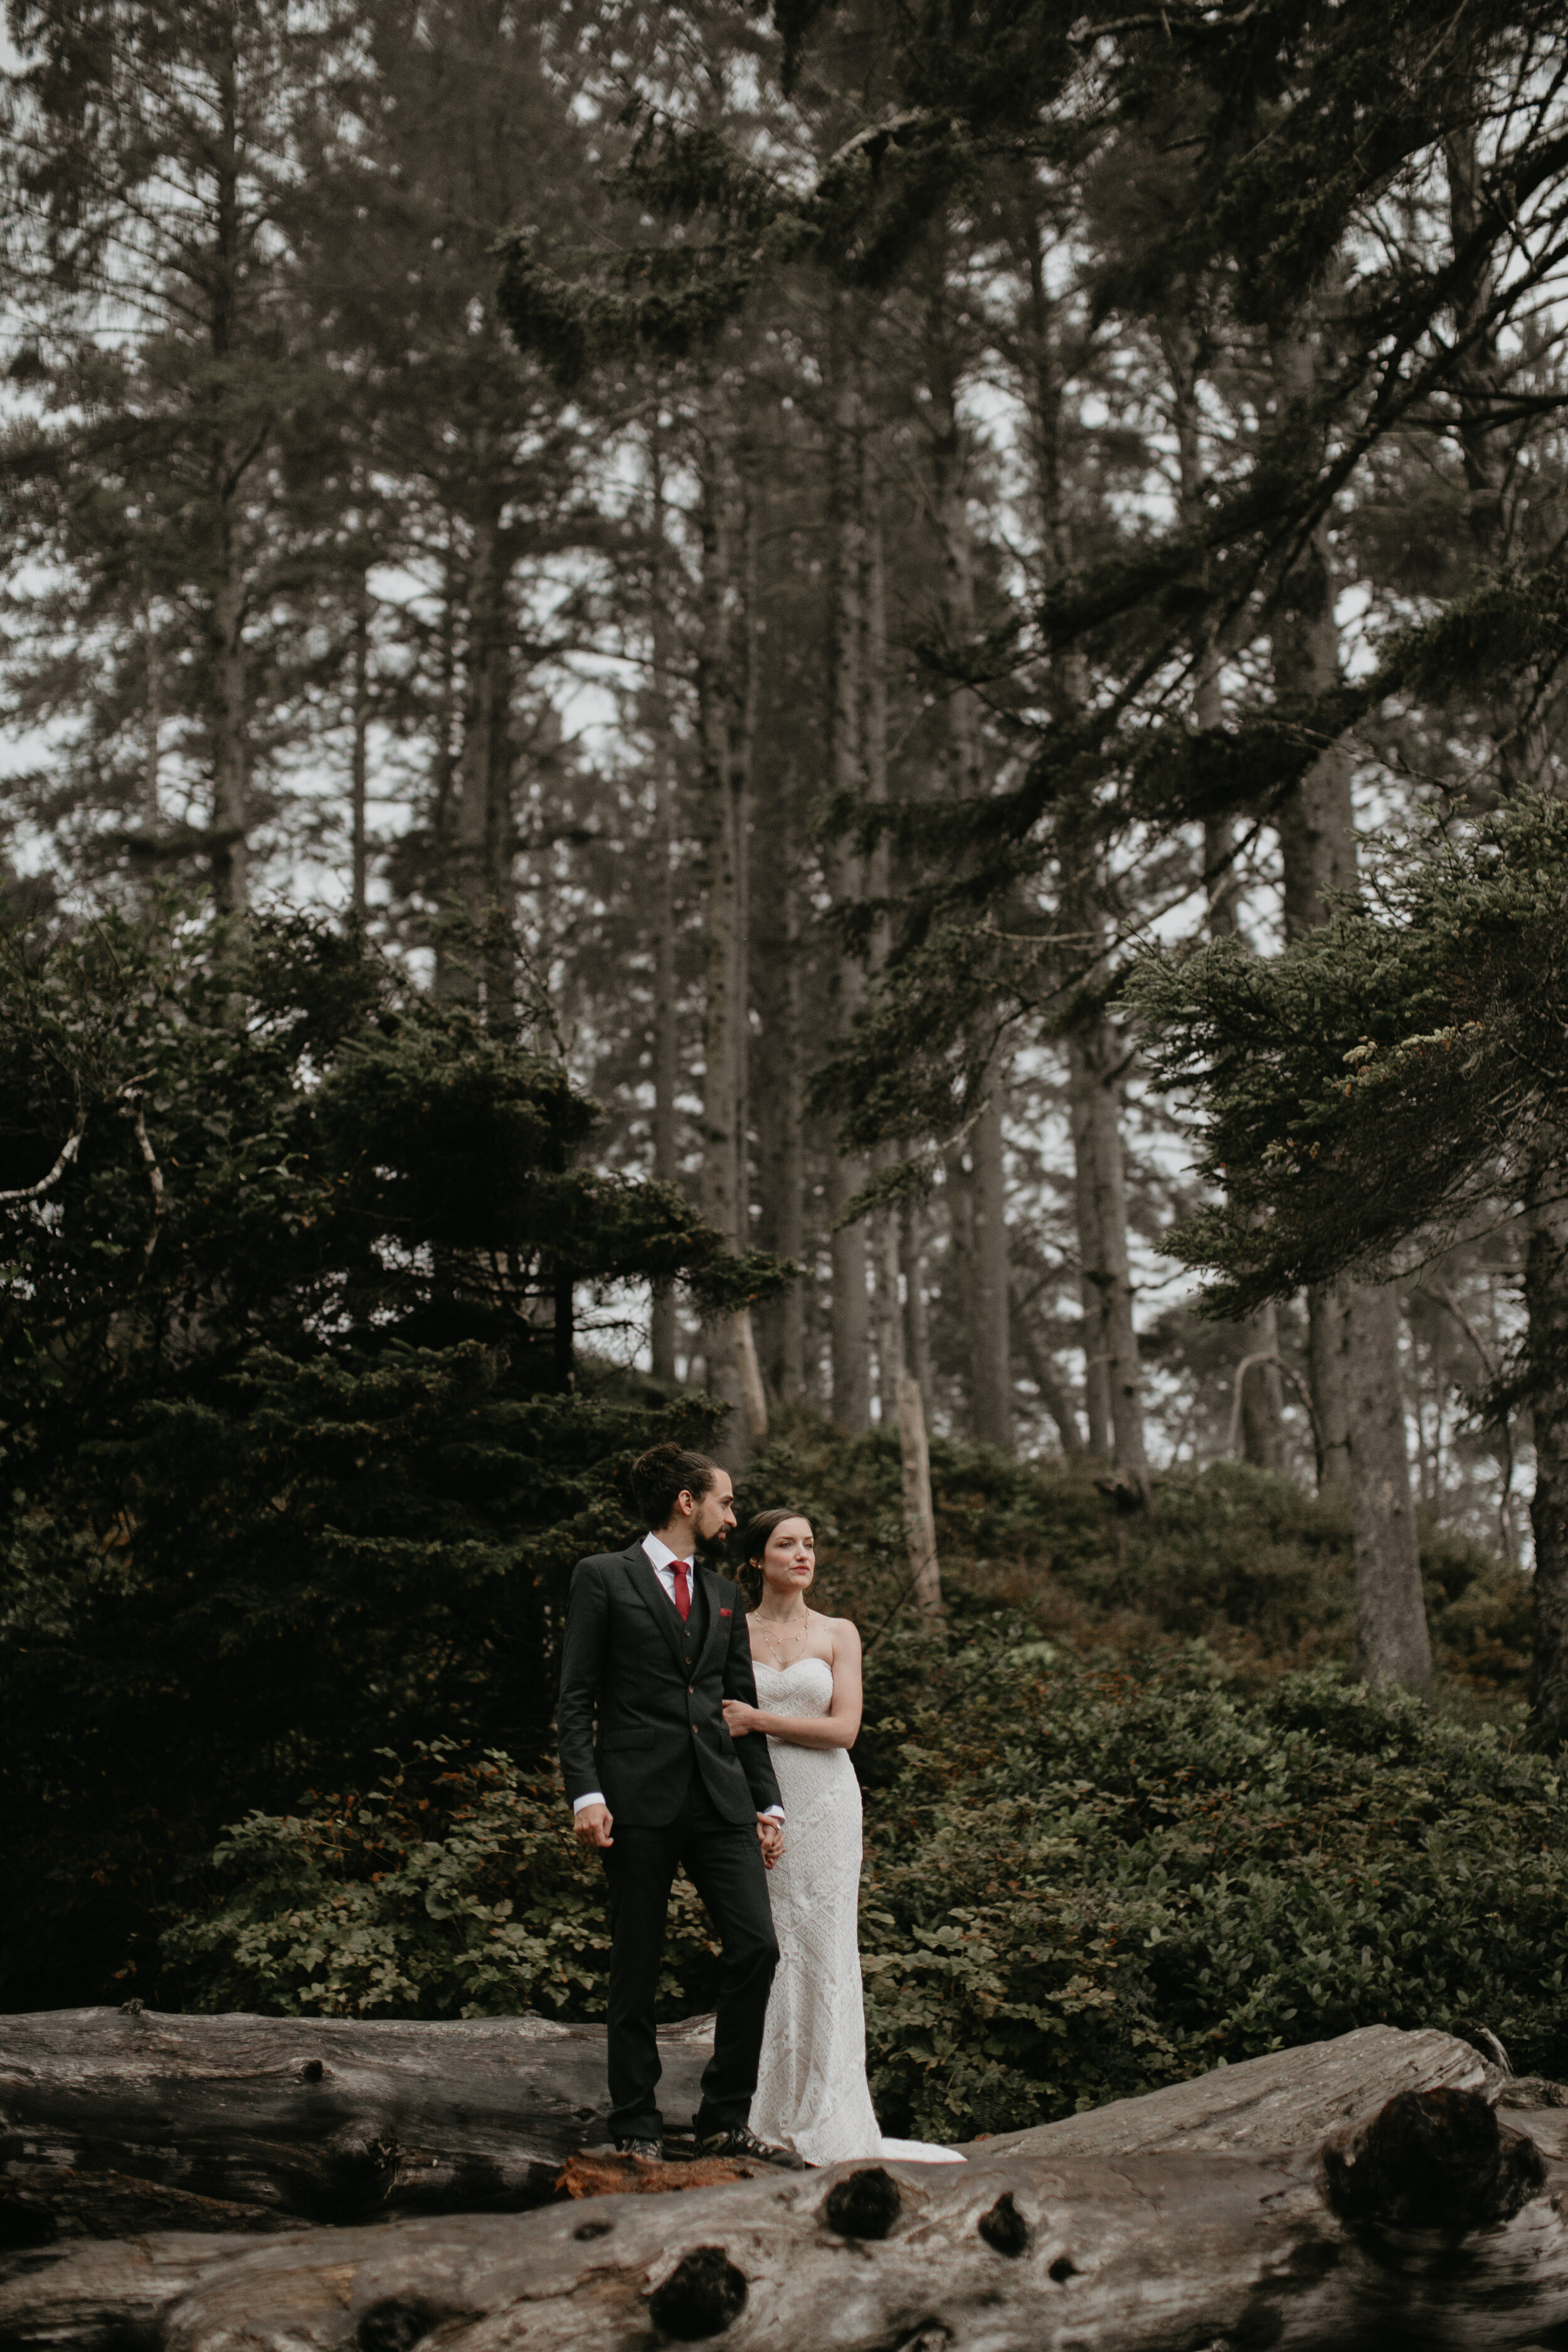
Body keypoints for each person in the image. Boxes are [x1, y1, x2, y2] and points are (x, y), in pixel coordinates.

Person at [557, 1443, 805, 2167]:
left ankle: (724, 2119)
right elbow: (575, 1699)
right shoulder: (602, 1577)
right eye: (725, 1501)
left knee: (756, 1946)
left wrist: (768, 1803)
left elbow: (739, 1706)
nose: (734, 1515)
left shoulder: (725, 1593)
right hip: (634, 1800)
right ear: (685, 1502)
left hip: (720, 1799)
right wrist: (585, 1793)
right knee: (637, 1961)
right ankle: (635, 2123)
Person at [722, 1507, 963, 2168]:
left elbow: (844, 1729)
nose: (802, 1555)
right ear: (754, 1560)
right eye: (785, 1544)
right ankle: (762, 2114)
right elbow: (720, 1726)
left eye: (809, 1544)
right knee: (768, 1946)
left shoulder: (837, 1633)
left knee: (825, 1947)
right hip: (760, 1804)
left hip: (826, 1800)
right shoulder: (729, 1632)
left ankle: (828, 2113)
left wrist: (757, 1717)